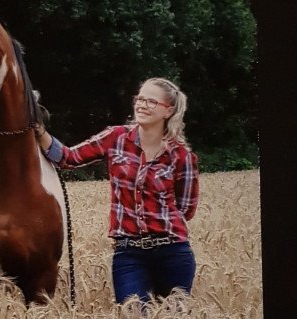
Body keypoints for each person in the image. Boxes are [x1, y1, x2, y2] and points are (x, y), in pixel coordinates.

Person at [36, 77, 199, 304]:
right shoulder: (116, 138)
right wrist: (39, 130)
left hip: (173, 253)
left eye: (152, 102)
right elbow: (68, 158)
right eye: (140, 99)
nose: (142, 105)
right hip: (129, 254)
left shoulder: (182, 156)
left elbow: (186, 209)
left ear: (168, 110)